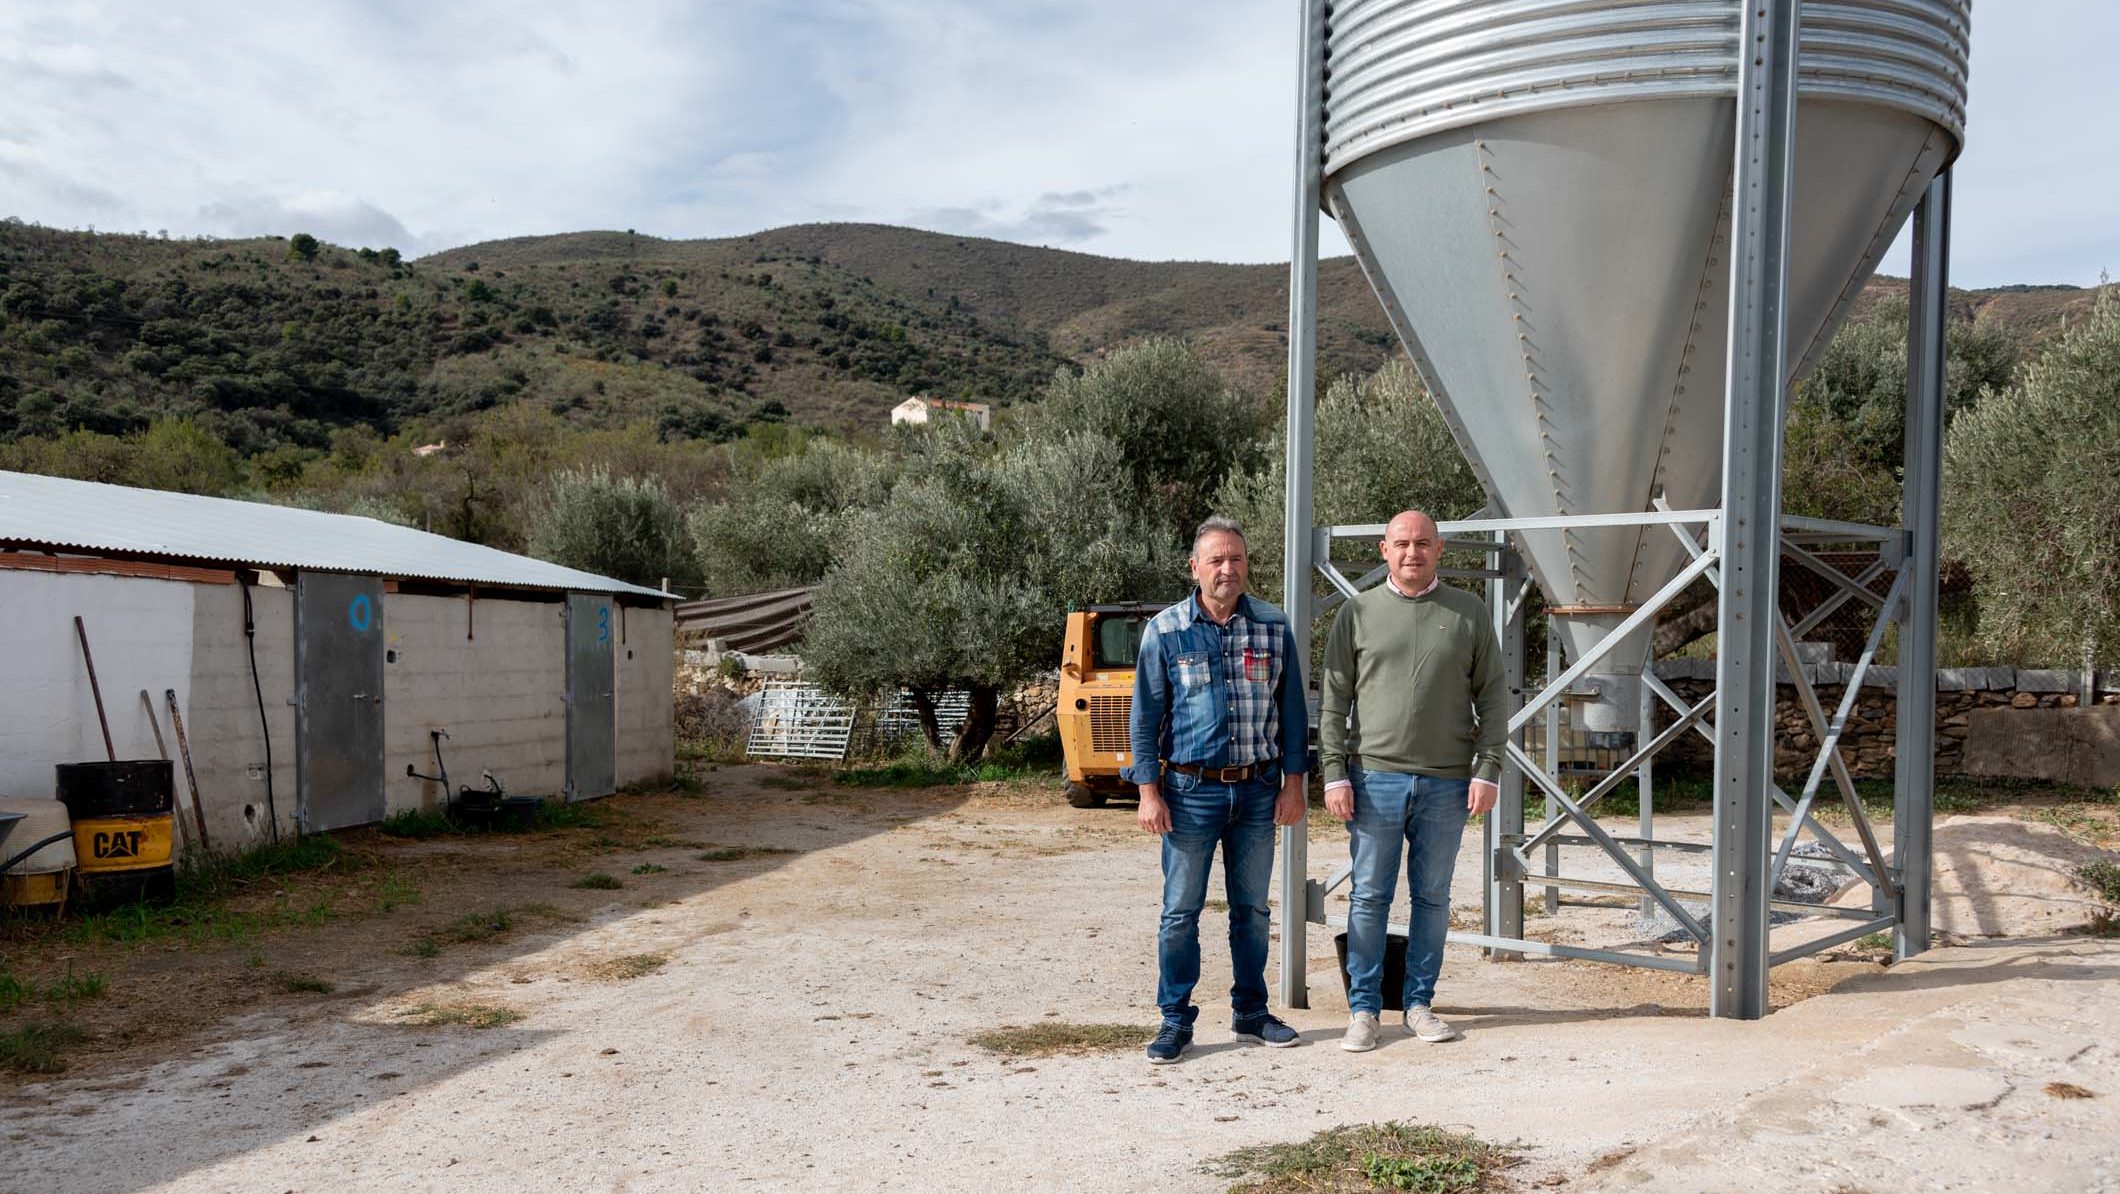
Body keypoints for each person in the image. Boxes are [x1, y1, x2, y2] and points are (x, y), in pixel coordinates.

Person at [1319, 509, 1505, 1051]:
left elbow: (1493, 696)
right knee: (1369, 897)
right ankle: (1364, 1010)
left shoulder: (1469, 613)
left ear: (1439, 550)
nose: (1412, 553)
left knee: (1432, 898)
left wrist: (1488, 769)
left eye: (1422, 543)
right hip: (1374, 779)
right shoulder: (1356, 613)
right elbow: (1334, 703)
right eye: (1401, 544)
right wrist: (1334, 774)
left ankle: (1419, 1005)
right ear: (1384, 550)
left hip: (1448, 784)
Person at [1128, 516, 1310, 1065]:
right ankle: (1175, 1020)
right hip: (1188, 794)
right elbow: (1144, 718)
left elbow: (1293, 713)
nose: (1228, 569)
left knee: (1252, 910)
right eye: (1216, 560)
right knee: (1180, 912)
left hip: (1257, 791)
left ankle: (1251, 1013)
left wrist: (1294, 784)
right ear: (1195, 567)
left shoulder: (1274, 627)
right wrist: (1148, 792)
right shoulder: (1165, 630)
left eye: (1236, 559)